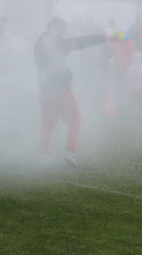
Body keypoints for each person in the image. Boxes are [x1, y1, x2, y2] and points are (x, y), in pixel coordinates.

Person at [34, 17, 118, 168]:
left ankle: (44, 155)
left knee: (47, 124)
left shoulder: (38, 43)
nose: (63, 34)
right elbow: (82, 42)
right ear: (58, 28)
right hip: (61, 89)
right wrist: (105, 38)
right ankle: (70, 151)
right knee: (75, 119)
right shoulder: (59, 42)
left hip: (44, 91)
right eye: (63, 30)